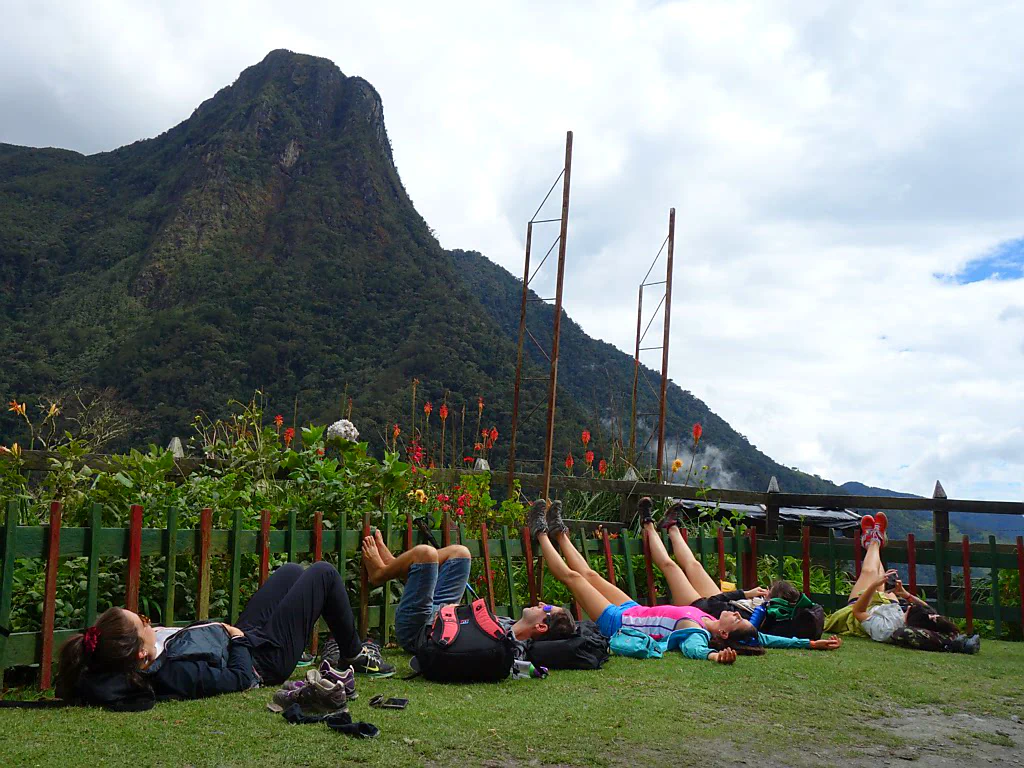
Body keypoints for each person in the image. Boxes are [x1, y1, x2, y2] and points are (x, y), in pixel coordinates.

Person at [530, 499, 842, 664]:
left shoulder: (694, 634)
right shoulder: (708, 618)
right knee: (592, 574)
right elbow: (764, 640)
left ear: (723, 633)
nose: (737, 613)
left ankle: (541, 533)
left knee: (574, 578)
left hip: (617, 620)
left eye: (735, 620)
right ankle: (561, 532)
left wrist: (715, 656)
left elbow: (695, 652)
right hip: (633, 608)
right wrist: (810, 643)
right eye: (737, 615)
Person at [56, 561, 393, 709]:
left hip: (243, 638)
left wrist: (230, 634)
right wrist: (236, 638)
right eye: (144, 622)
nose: (149, 623)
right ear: (140, 655)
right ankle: (354, 654)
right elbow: (239, 677)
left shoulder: (144, 657)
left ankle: (347, 648)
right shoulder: (176, 672)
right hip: (263, 661)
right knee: (323, 573)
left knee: (291, 572)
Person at [360, 528, 576, 659]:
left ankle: (379, 574)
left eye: (546, 608)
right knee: (460, 553)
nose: (540, 602)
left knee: (424, 553)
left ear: (541, 626)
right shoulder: (511, 624)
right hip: (445, 613)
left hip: (419, 630)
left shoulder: (512, 646)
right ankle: (394, 567)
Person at [824, 514, 980, 653]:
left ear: (910, 620)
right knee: (880, 573)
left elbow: (858, 612)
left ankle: (873, 542)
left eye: (909, 609)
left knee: (870, 573)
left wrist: (873, 586)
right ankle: (873, 540)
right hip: (886, 605)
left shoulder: (886, 629)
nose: (908, 606)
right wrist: (905, 594)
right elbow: (926, 608)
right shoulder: (920, 621)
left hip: (862, 605)